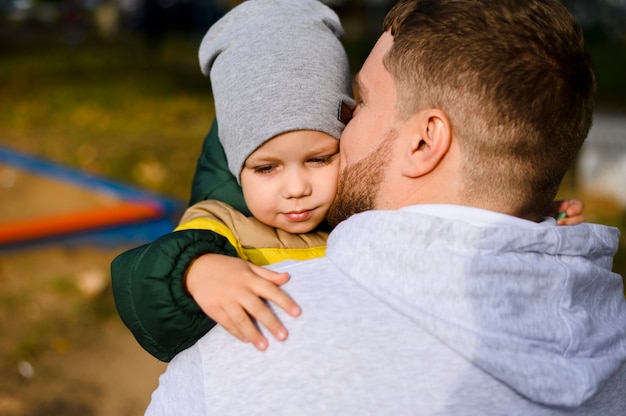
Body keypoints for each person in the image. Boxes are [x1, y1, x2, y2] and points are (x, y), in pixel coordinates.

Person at [145, 0, 626, 414]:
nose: (343, 127)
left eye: (360, 102)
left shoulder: (252, 338)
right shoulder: (611, 330)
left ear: (423, 142)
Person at [111, 0, 354, 358]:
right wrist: (195, 271)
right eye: (266, 168)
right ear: (234, 165)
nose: (297, 188)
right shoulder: (222, 224)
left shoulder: (363, 211)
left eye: (318, 159)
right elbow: (142, 285)